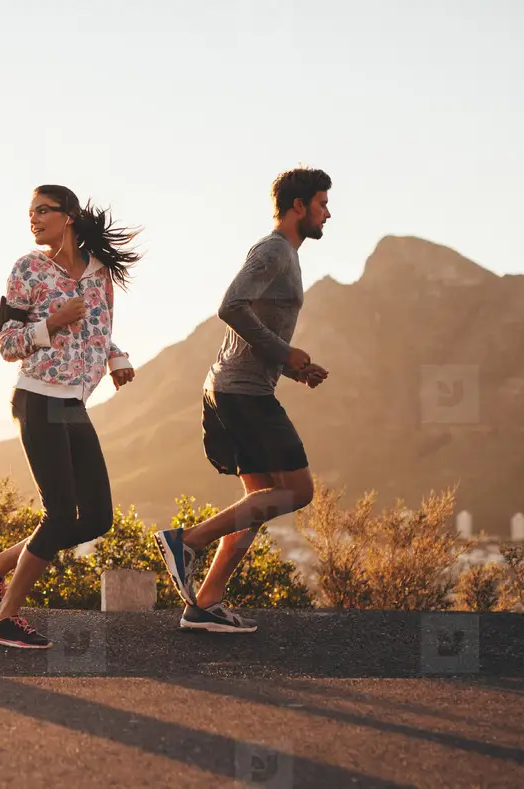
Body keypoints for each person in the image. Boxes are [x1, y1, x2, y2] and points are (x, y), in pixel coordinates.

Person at [153, 167, 332, 633]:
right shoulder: (274, 250)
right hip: (241, 392)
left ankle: (205, 603)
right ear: (299, 207)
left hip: (238, 386)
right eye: (322, 204)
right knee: (298, 491)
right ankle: (186, 541)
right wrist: (284, 352)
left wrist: (293, 367)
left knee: (260, 501)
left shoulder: (286, 255)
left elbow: (257, 328)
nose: (327, 214)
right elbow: (230, 305)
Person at [0, 184, 140, 649]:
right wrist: (52, 322)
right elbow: (6, 344)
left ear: (70, 216)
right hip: (37, 398)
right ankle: (2, 619)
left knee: (97, 517)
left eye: (44, 210)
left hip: (72, 402)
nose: (34, 218)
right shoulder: (27, 270)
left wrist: (116, 357)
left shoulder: (99, 274)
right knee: (60, 514)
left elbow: (99, 333)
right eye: (31, 212)